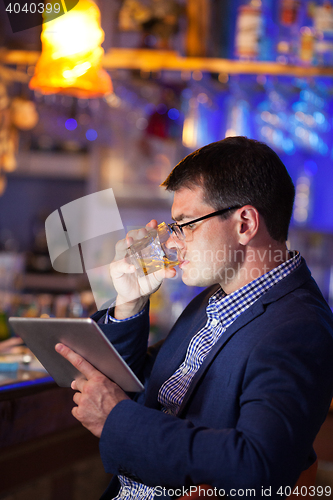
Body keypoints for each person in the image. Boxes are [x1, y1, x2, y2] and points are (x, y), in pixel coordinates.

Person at [56, 136, 333, 499]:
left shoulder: (299, 328)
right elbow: (135, 388)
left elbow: (259, 467)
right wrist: (129, 301)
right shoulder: (213, 300)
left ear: (244, 223)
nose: (173, 244)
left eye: (186, 224)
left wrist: (118, 420)